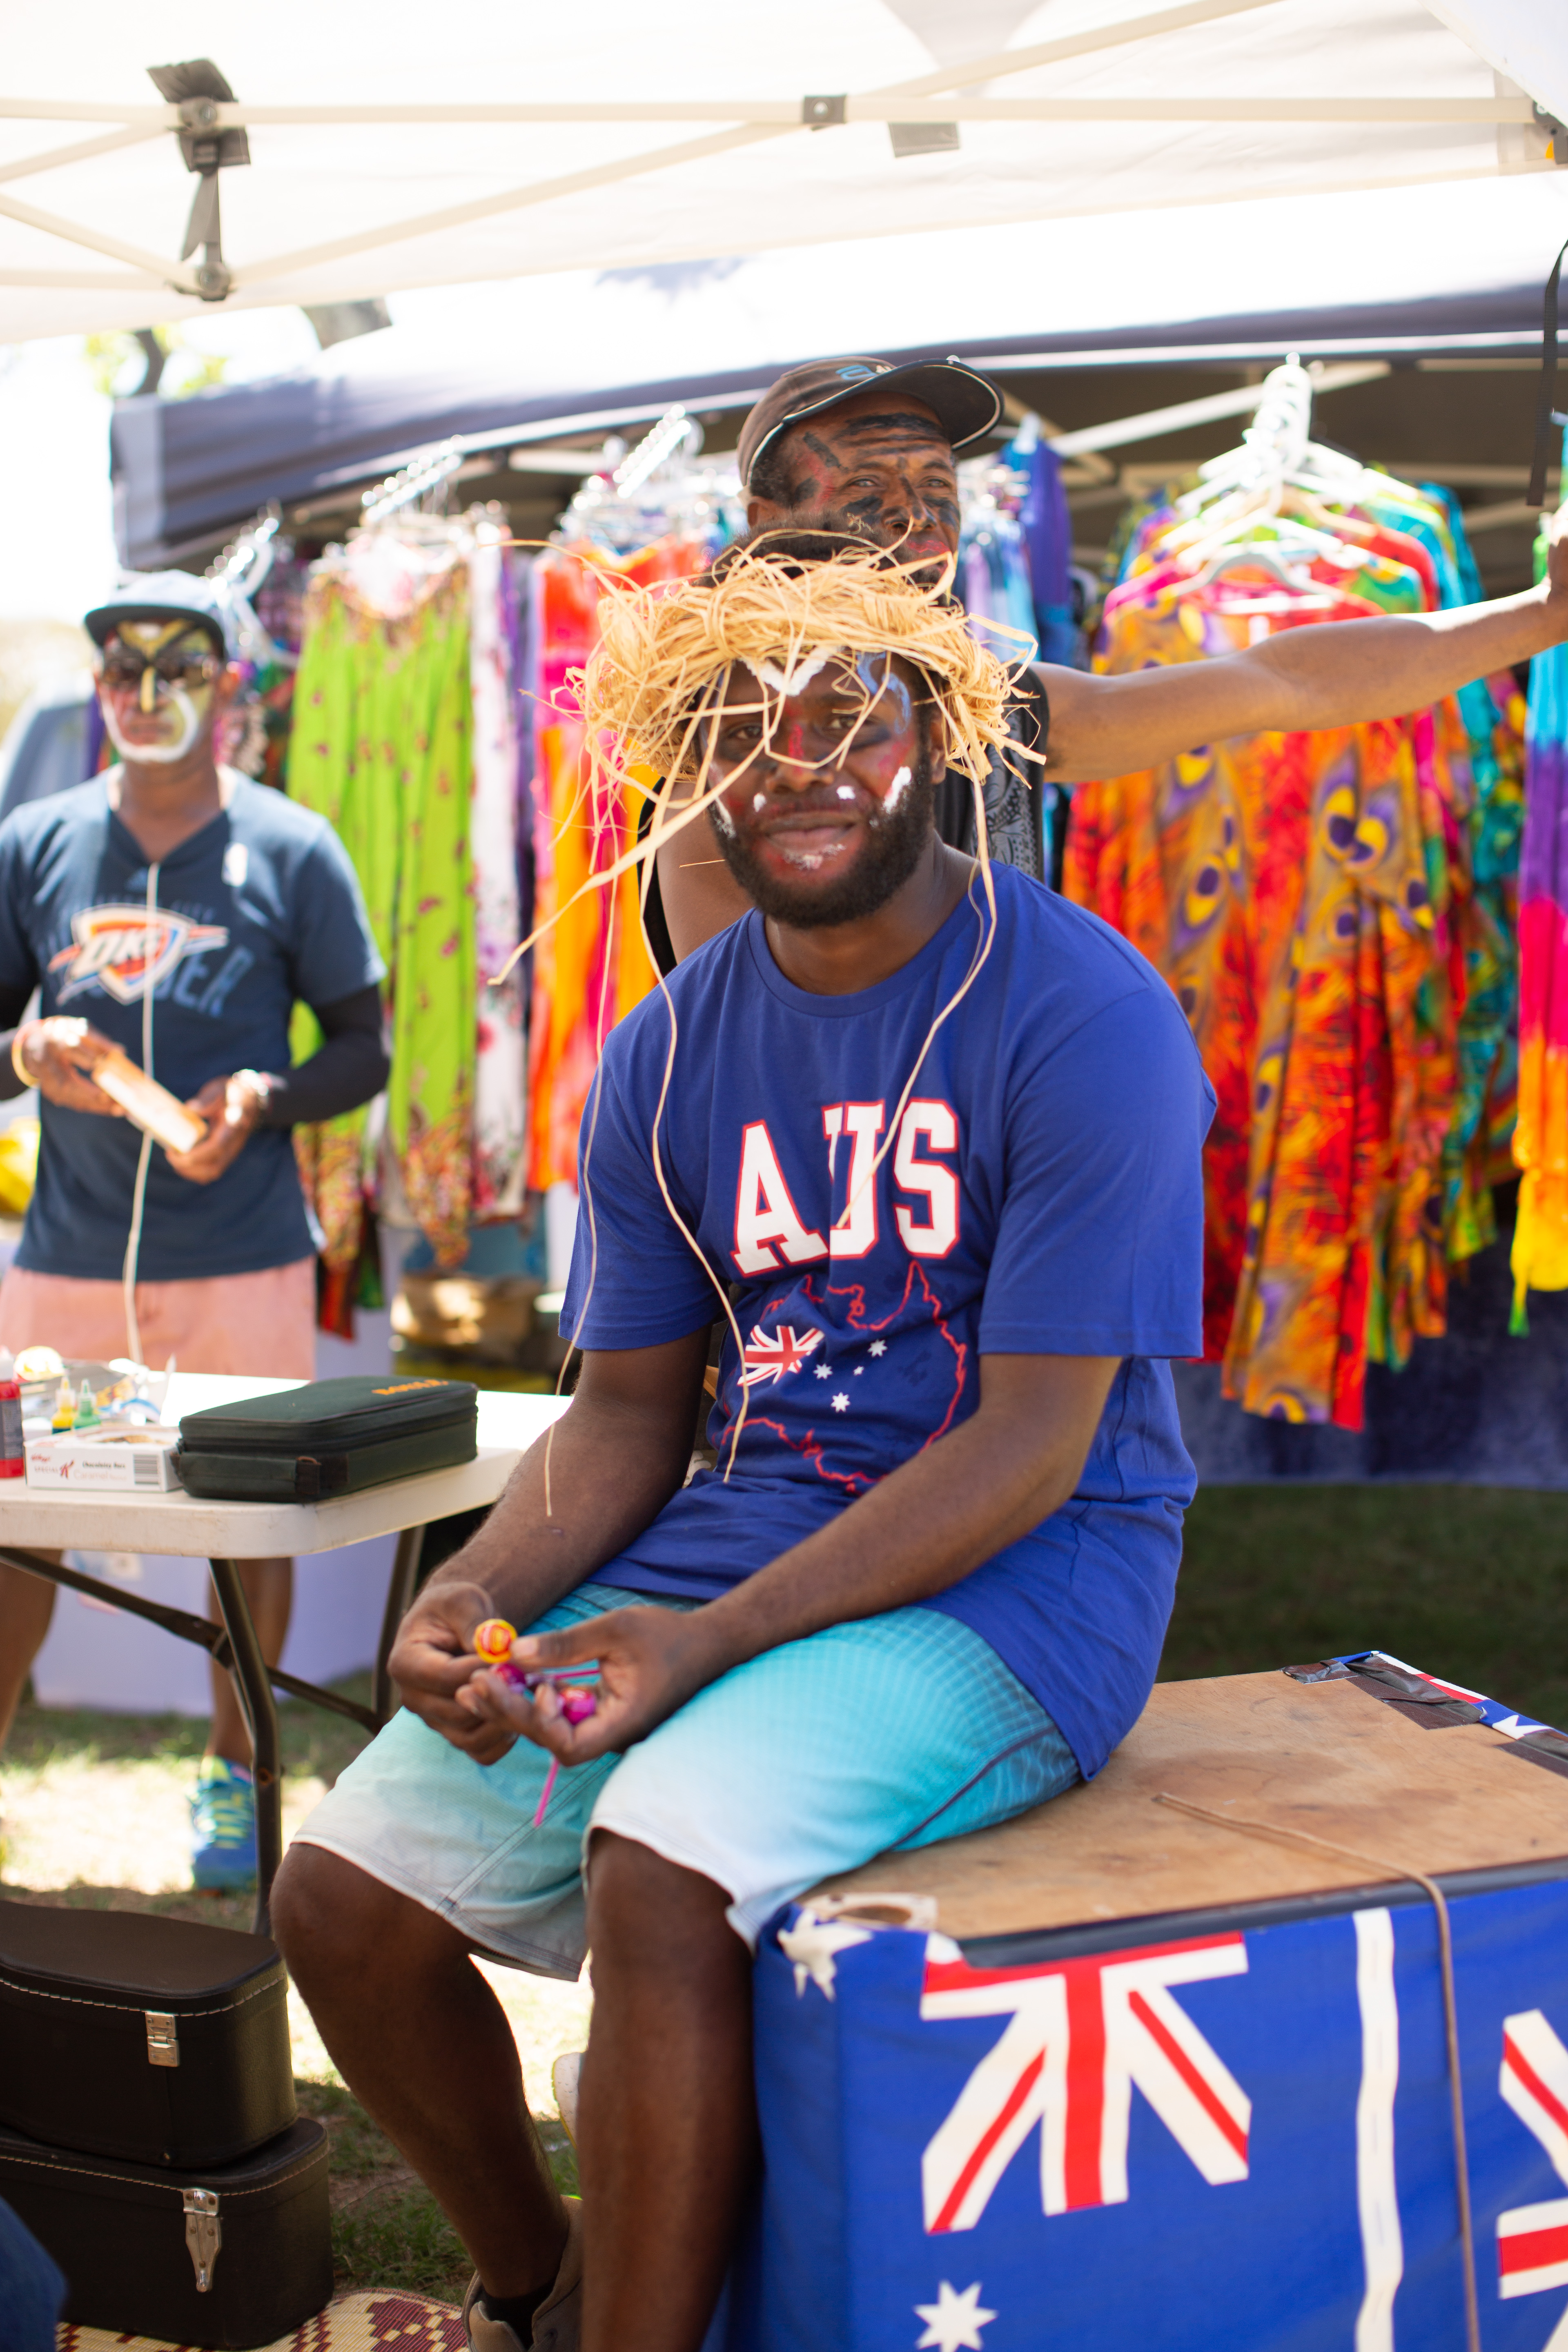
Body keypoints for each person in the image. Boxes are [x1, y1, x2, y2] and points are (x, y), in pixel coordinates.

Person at [270, 461, 1568, 2352]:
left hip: (1021, 1587)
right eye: (747, 730)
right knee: (340, 1899)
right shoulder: (664, 1047)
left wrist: (695, 1643)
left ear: (947, 736)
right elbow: (630, 1417)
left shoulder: (1084, 1014)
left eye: (848, 721)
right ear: (690, 764)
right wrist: (469, 1592)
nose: (797, 767)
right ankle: (537, 2290)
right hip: (738, 1545)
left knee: (660, 1868)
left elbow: (1041, 1443)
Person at [0, 572, 388, 1890]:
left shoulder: (294, 846)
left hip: (241, 1268)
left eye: (180, 666)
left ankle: (238, 1778)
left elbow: (364, 1048)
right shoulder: (36, 840)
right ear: (97, 681)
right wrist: (24, 1044)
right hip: (67, 1267)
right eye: (122, 665)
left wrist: (268, 1096)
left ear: (230, 685)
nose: (147, 692)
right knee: (23, 1522)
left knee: (242, 1526)